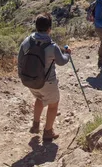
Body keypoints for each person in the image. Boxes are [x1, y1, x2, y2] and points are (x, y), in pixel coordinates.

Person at [18, 13, 71, 142]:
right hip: (47, 82)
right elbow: (62, 62)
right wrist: (68, 54)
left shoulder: (27, 41)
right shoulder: (52, 47)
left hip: (29, 81)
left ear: (36, 26)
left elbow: (20, 60)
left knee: (39, 99)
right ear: (49, 29)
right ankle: (48, 132)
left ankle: (35, 126)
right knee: (53, 105)